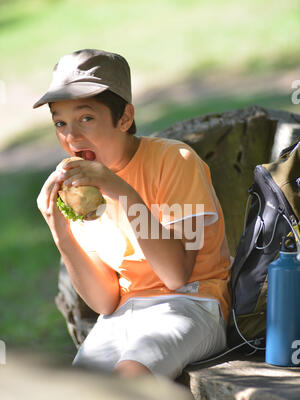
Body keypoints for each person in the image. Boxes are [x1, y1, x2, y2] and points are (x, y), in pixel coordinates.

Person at [35, 49, 231, 379]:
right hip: (122, 313)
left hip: (191, 305)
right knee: (77, 395)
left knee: (129, 381)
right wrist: (60, 230)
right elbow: (105, 302)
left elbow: (176, 275)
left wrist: (122, 192)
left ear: (124, 118)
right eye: (60, 122)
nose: (71, 136)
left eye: (86, 118)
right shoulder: (79, 189)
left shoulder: (176, 161)